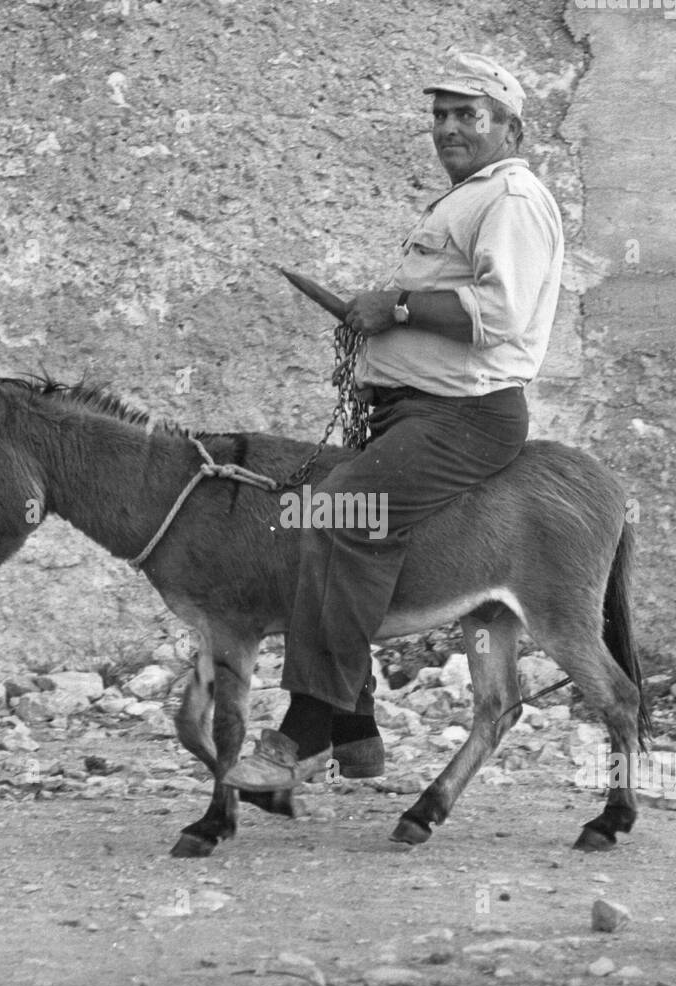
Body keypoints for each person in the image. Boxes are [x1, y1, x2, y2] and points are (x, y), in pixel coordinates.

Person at [224, 52, 565, 792]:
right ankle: (359, 731)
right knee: (317, 515)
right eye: (439, 115)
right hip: (415, 413)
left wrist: (398, 308)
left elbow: (502, 314)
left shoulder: (510, 198)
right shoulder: (465, 199)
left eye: (465, 115)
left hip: (466, 417)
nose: (447, 129)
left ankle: (308, 732)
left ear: (510, 126)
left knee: (346, 515)